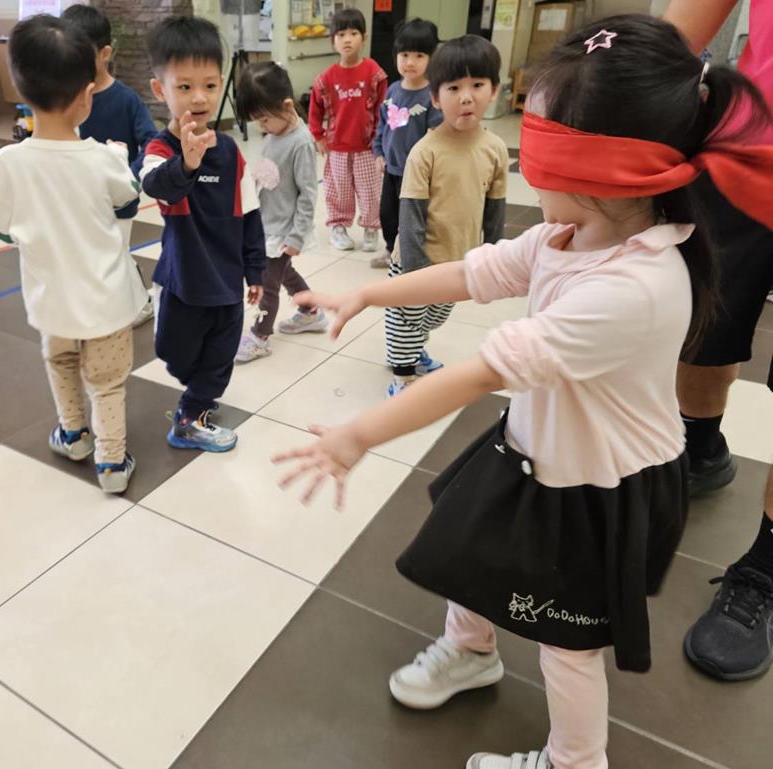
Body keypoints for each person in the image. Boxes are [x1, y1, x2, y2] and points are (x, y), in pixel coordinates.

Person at [274, 16, 773, 769]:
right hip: (537, 449)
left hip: (602, 488)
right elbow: (474, 273)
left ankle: (576, 760)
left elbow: (482, 371)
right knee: (472, 550)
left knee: (565, 645)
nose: (527, 175)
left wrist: (358, 435)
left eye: (538, 156)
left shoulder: (635, 286)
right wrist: (368, 293)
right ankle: (471, 651)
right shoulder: (569, 235)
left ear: (598, 170)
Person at [0, 14, 145, 494]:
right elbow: (128, 200)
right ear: (87, 95)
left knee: (62, 362)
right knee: (107, 381)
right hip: (106, 300)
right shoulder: (104, 159)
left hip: (51, 298)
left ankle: (73, 435)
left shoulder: (8, 163)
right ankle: (111, 463)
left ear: (19, 88)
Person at [665, 0, 773, 682]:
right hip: (748, 149)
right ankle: (699, 445)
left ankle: (766, 562)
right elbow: (672, 38)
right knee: (703, 326)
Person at [139, 15, 265, 452]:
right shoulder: (160, 149)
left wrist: (255, 270)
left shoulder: (230, 151)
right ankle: (195, 389)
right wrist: (188, 163)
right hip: (182, 279)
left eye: (210, 85)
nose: (199, 97)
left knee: (219, 358)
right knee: (174, 353)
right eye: (185, 86)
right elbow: (156, 185)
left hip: (226, 281)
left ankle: (191, 415)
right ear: (161, 90)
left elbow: (250, 213)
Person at [384, 35, 507, 397]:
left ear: (494, 90)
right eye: (453, 88)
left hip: (458, 260)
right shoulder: (426, 151)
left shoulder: (495, 149)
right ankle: (403, 376)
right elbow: (410, 214)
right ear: (436, 98)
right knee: (405, 321)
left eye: (477, 85)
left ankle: (414, 351)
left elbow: (495, 207)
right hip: (416, 261)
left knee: (434, 318)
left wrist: (494, 258)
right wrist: (414, 273)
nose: (466, 97)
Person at [61, 2, 156, 328]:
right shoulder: (67, 98)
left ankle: (139, 302)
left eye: (81, 55)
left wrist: (131, 177)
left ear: (105, 54)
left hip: (118, 200)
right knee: (96, 254)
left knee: (114, 253)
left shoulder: (126, 99)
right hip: (81, 199)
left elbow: (151, 140)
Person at [233, 61, 326, 364]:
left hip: (283, 229)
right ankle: (311, 311)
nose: (261, 127)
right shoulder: (275, 133)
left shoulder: (300, 143)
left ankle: (260, 336)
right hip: (266, 224)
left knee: (267, 283)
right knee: (284, 273)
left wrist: (297, 236)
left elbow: (308, 194)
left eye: (263, 120)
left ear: (286, 106)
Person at [308, 7, 388, 253]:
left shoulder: (374, 73)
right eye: (341, 34)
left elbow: (383, 110)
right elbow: (315, 109)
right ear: (333, 41)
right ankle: (338, 228)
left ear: (363, 37)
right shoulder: (326, 78)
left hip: (367, 147)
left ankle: (371, 228)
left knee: (370, 191)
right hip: (338, 149)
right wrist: (318, 135)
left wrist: (382, 141)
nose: (347, 39)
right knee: (338, 191)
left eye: (354, 33)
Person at [370, 18, 442, 270]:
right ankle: (391, 250)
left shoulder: (432, 96)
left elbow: (435, 136)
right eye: (405, 55)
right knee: (387, 214)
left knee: (411, 217)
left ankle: (409, 257)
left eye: (419, 55)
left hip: (416, 173)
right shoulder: (392, 90)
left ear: (431, 58)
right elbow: (382, 125)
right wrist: (378, 152)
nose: (410, 62)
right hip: (391, 169)